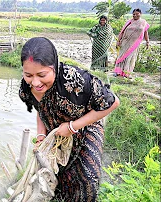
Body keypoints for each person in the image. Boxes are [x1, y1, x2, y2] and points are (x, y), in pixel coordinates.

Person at [19, 37, 120, 201]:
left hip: (86, 125)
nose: (35, 82)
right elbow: (40, 109)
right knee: (58, 174)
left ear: (54, 67)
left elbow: (112, 103)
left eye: (42, 74)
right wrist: (41, 137)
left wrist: (73, 126)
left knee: (88, 176)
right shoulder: (27, 87)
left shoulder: (75, 80)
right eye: (28, 74)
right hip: (57, 130)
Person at [114, 8, 150, 78]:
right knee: (121, 57)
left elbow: (145, 33)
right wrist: (118, 41)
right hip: (125, 42)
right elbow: (122, 32)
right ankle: (117, 72)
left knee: (130, 58)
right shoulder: (129, 22)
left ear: (141, 14)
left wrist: (147, 42)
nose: (135, 15)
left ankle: (127, 73)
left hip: (134, 44)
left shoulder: (143, 22)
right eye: (134, 14)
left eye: (137, 14)